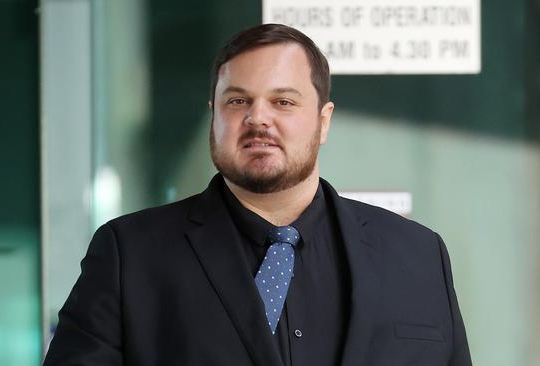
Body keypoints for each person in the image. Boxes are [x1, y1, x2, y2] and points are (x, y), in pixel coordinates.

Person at [44, 23, 472, 366]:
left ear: (324, 121)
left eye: (283, 102)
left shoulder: (419, 255)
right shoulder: (130, 254)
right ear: (214, 116)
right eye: (237, 101)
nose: (257, 119)